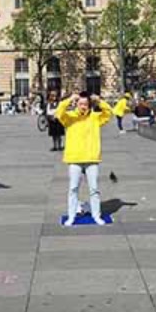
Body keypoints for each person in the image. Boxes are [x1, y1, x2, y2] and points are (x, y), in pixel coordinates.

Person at [55, 92, 113, 226]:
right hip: (75, 158)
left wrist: (98, 101)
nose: (83, 107)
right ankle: (71, 216)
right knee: (73, 188)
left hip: (91, 158)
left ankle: (96, 215)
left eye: (86, 104)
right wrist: (70, 99)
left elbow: (109, 113)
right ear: (76, 104)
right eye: (80, 104)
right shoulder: (70, 117)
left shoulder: (95, 117)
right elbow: (59, 112)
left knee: (94, 189)